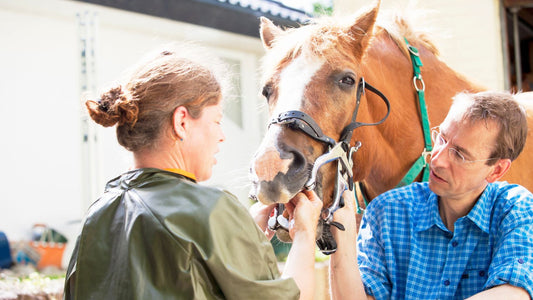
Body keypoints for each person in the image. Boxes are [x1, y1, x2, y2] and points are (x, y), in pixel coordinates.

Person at [63, 43, 323, 299]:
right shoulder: (211, 210)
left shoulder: (96, 216)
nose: (221, 136)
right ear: (182, 122)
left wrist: (242, 239)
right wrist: (304, 234)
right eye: (217, 121)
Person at [329, 91, 533, 299]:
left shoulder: (515, 209)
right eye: (442, 139)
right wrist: (341, 239)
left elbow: (515, 293)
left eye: (459, 154)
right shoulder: (386, 212)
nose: (437, 159)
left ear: (496, 170)